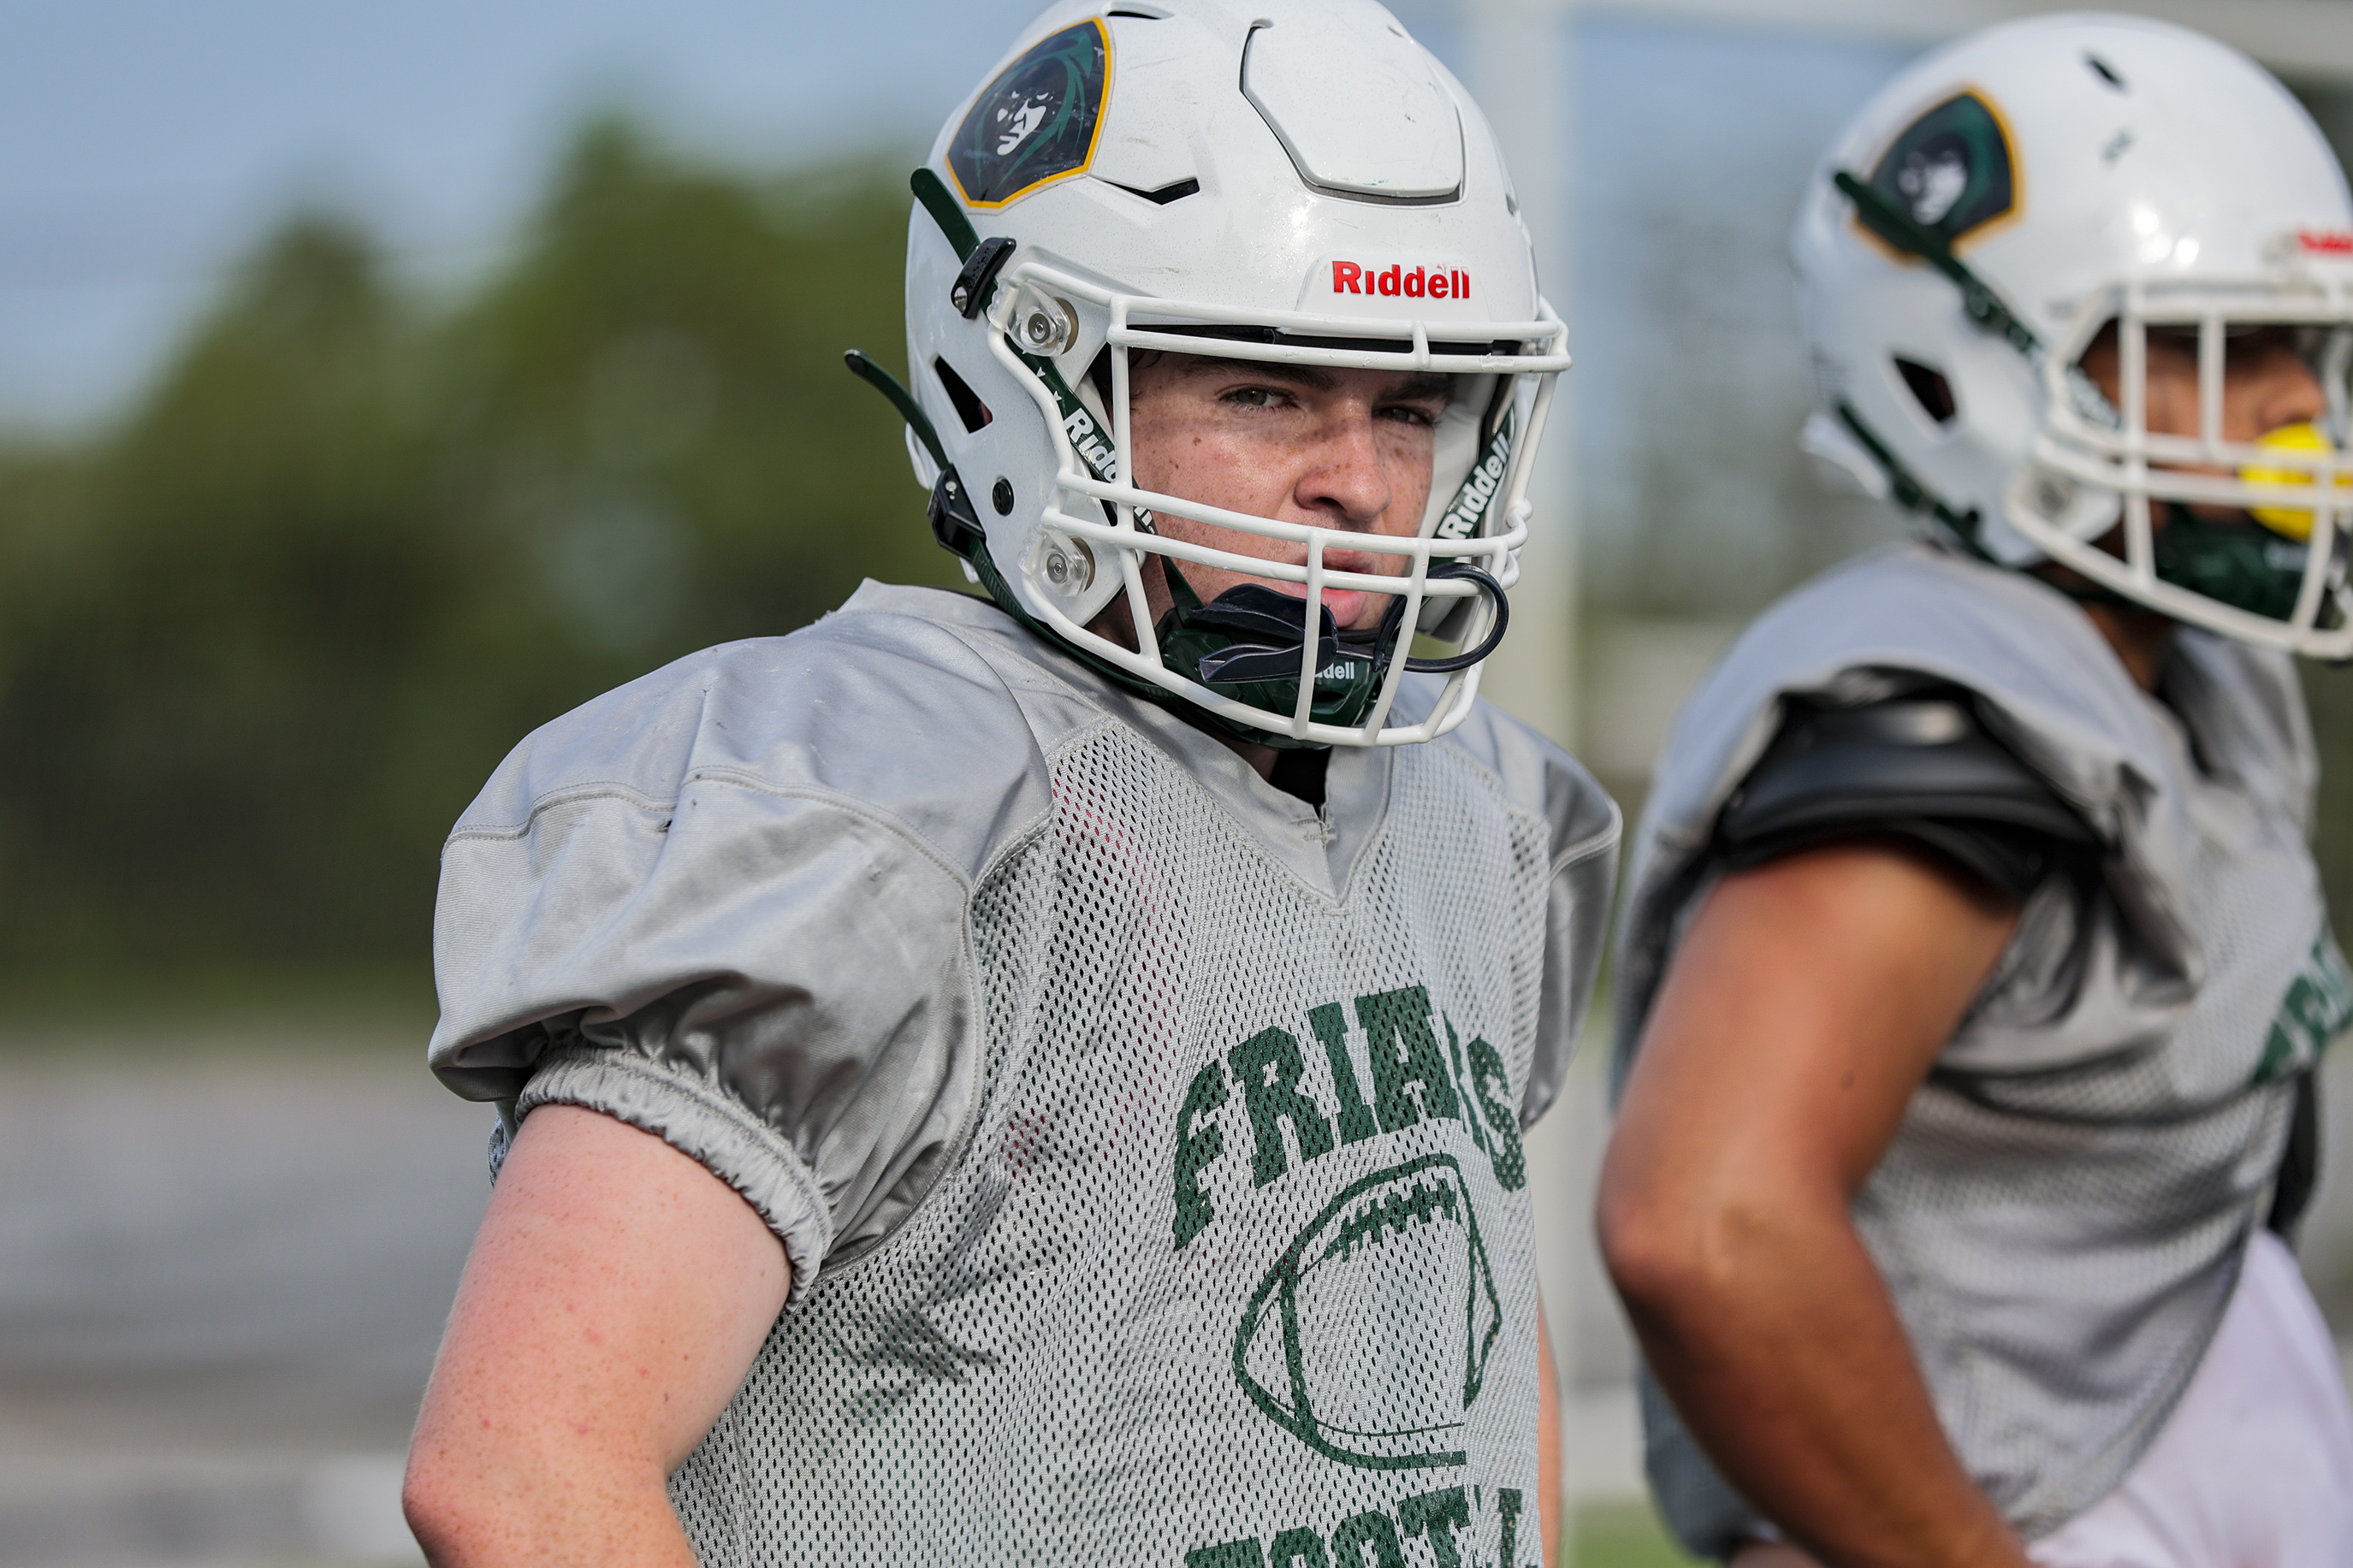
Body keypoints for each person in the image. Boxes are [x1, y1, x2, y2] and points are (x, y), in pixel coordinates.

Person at [400, 3, 1620, 1564]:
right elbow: (520, 1472)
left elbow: (1471, 1346)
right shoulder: (877, 795)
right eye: (1262, 391)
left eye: (1411, 403)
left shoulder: (1487, 806)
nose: (1362, 481)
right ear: (1029, 385)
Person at [1597, 14, 2353, 1568]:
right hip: (2022, 1502)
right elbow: (1707, 1222)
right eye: (2221, 346)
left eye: (2304, 349)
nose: (2294, 407)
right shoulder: (1952, 704)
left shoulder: (2191, 675)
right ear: (1977, 370)